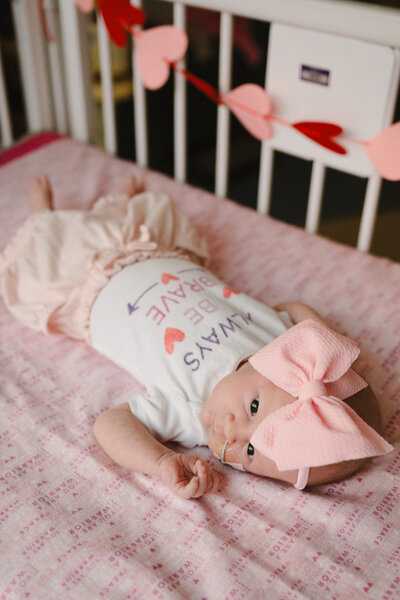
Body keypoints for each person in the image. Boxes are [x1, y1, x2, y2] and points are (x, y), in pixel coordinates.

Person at [0, 176, 393, 499]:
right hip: (161, 256)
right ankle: (118, 205)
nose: (231, 433)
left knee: (48, 250)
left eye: (251, 452)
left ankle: (44, 214)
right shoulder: (277, 340)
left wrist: (157, 461)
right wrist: (327, 346)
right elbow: (298, 310)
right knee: (140, 218)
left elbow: (111, 423)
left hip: (91, 289)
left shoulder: (190, 411)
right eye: (254, 407)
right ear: (292, 354)